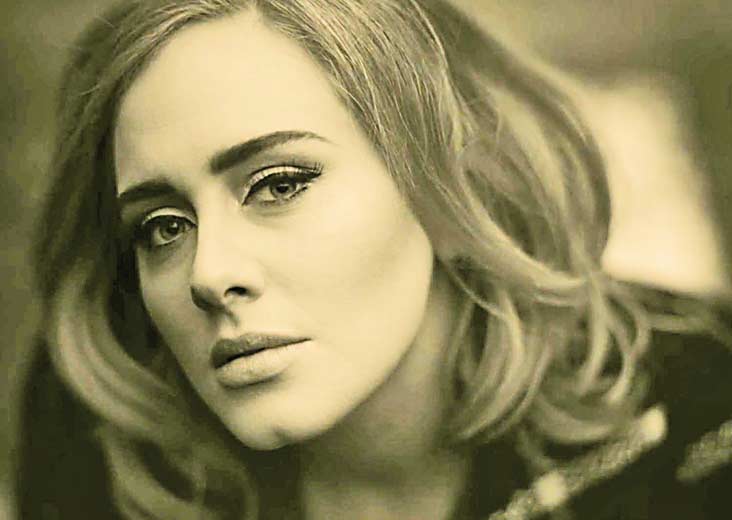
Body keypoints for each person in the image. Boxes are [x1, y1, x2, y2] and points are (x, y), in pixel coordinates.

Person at [18, 0, 732, 518]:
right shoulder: (104, 439)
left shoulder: (701, 399)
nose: (209, 274)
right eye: (163, 227)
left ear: (449, 188)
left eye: (280, 185)